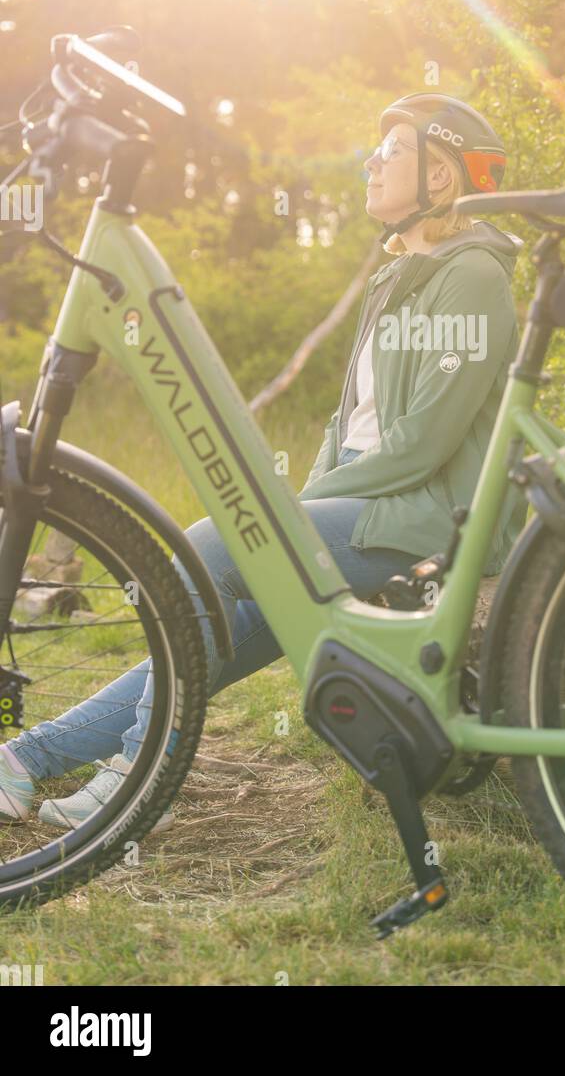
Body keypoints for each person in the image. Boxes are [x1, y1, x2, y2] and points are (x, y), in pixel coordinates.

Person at [0, 93, 528, 829]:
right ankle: (29, 759)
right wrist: (302, 507)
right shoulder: (395, 277)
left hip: (435, 515)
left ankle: (138, 773)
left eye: (393, 152)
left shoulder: (473, 279)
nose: (371, 162)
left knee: (197, 555)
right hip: (374, 506)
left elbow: (425, 443)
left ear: (440, 180)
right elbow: (349, 427)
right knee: (209, 628)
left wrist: (283, 520)